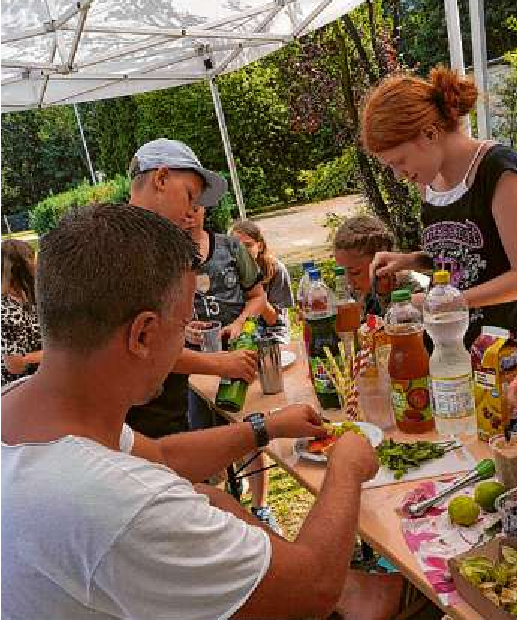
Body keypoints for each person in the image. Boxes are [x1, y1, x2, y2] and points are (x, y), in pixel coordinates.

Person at [2, 202, 403, 620]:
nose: (186, 342)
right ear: (142, 333)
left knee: (207, 494)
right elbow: (314, 590)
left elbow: (163, 459)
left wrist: (262, 428)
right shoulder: (115, 502)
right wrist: (346, 467)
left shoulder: (28, 408)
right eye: (183, 326)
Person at [362, 66, 517, 347]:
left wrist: (449, 303)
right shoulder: (430, 183)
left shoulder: (499, 173)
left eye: (399, 161)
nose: (399, 175)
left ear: (430, 134)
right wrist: (412, 261)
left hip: (499, 354)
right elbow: (465, 258)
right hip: (448, 348)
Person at [126, 139, 260, 437]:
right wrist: (220, 363)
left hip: (167, 415)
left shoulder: (151, 245)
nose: (191, 212)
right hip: (140, 427)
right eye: (189, 196)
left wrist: (179, 329)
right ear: (161, 178)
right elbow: (143, 348)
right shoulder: (128, 249)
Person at [183, 205, 281, 531]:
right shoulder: (166, 258)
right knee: (207, 440)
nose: (187, 213)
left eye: (194, 204)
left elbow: (258, 296)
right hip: (196, 365)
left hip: (241, 354)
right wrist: (184, 330)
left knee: (252, 432)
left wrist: (241, 322)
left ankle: (260, 508)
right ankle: (224, 518)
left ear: (203, 208)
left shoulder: (231, 247)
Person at [334, 215, 425, 318]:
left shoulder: (411, 290)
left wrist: (384, 296)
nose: (349, 281)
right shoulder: (358, 292)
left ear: (382, 264)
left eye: (355, 272)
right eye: (343, 272)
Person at [231, 219, 294, 344]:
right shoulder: (228, 272)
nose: (243, 251)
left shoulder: (275, 270)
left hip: (273, 330)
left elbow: (273, 320)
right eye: (237, 246)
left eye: (248, 245)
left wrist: (257, 296)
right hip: (242, 330)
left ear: (259, 246)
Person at [1, 239, 42, 385]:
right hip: (19, 385)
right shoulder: (7, 313)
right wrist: (50, 354)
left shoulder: (25, 294)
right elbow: (14, 366)